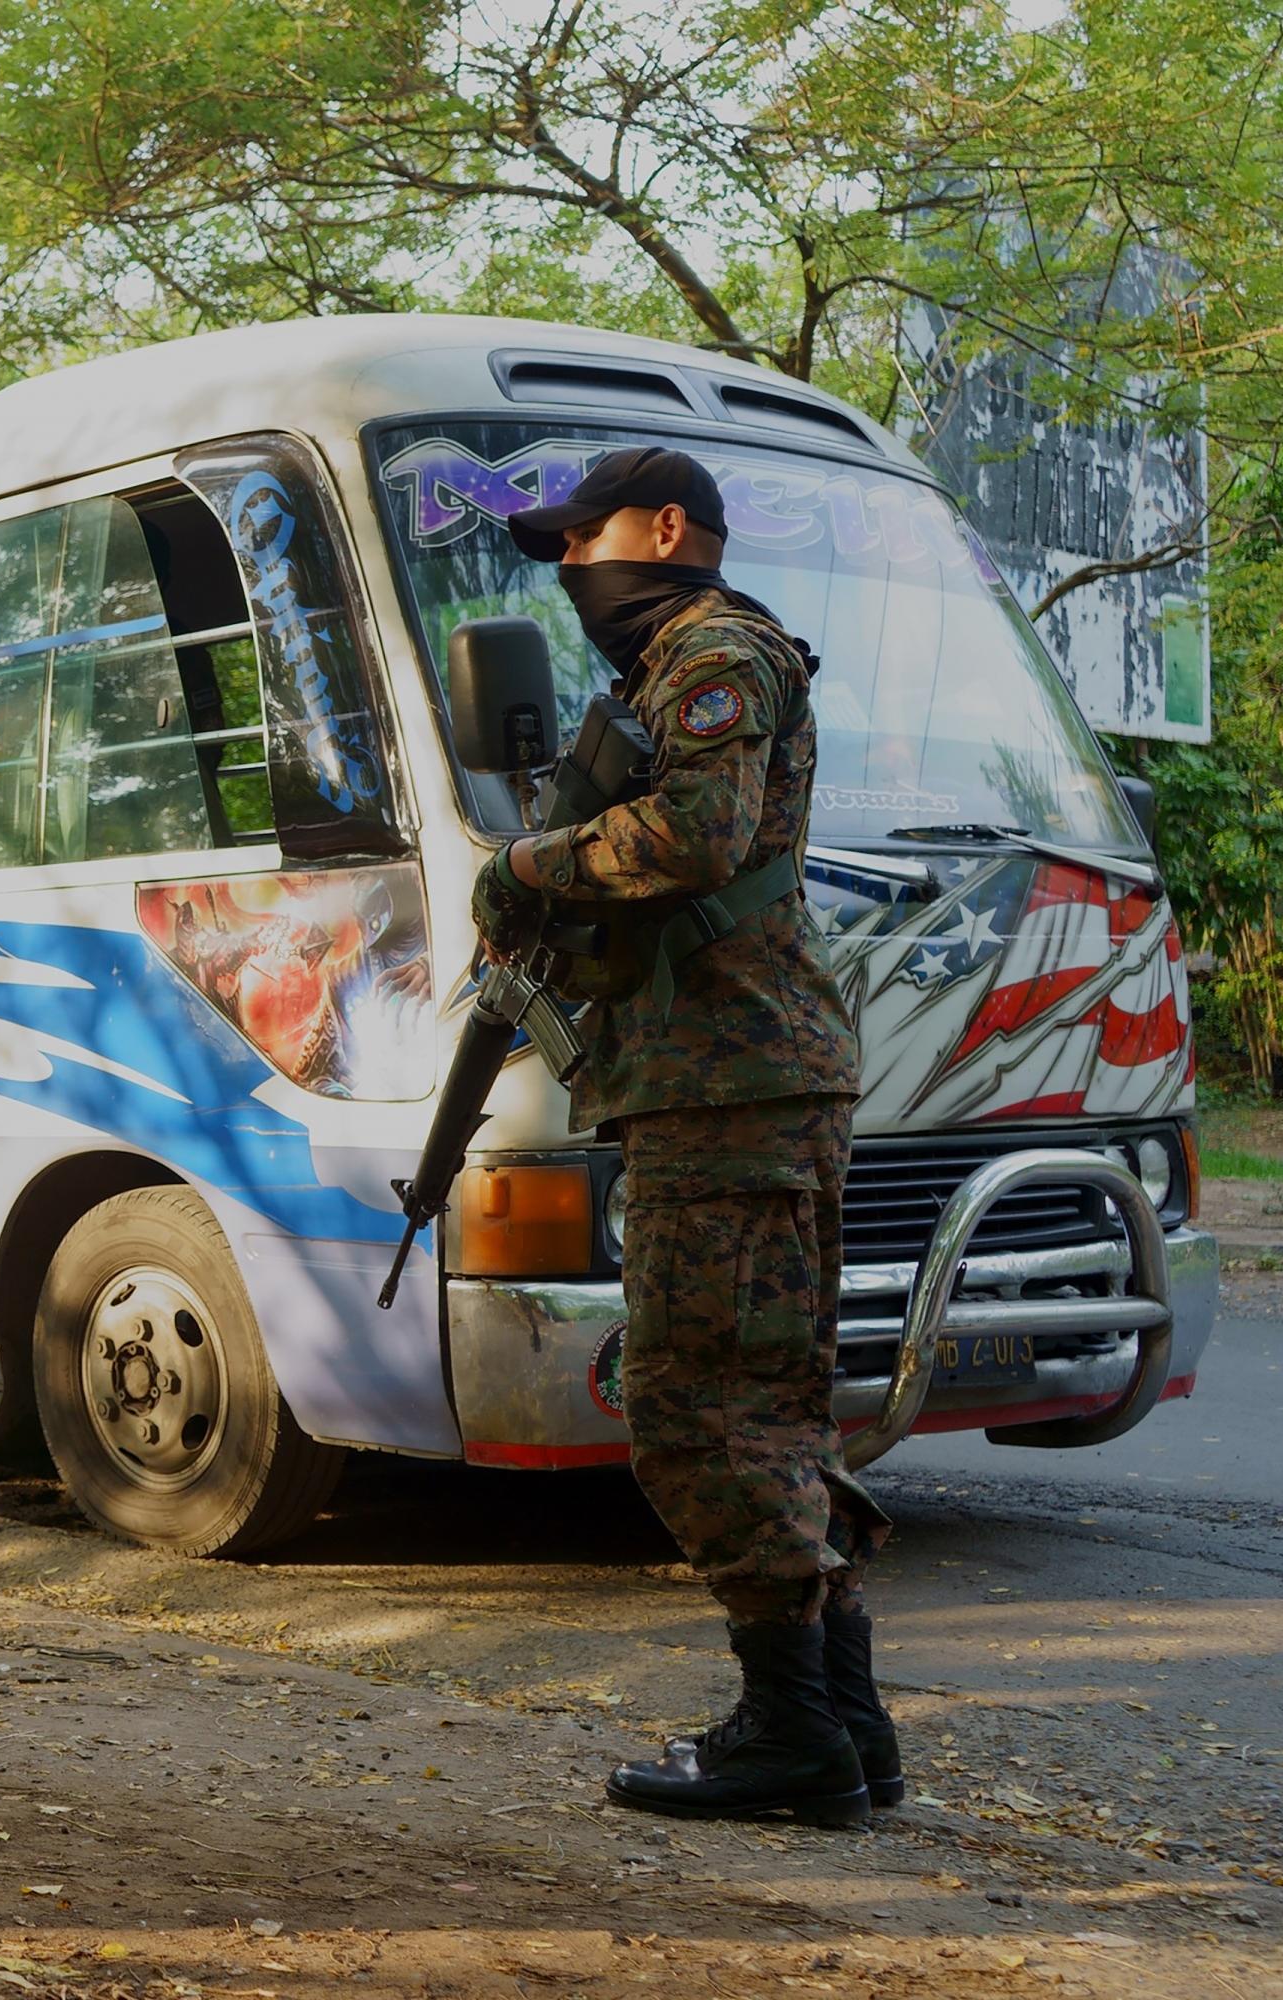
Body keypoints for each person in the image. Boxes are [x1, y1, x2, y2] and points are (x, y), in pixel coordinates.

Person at [472, 446, 885, 1828]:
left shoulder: (718, 648)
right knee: (764, 1404)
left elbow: (701, 836)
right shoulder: (665, 673)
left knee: (693, 1408)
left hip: (731, 1086)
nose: (578, 575)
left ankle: (789, 1732)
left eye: (585, 545)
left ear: (665, 528)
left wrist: (524, 865)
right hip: (728, 1083)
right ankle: (841, 1719)